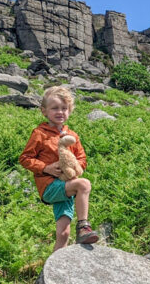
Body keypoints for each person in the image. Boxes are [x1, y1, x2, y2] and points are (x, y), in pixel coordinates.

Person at [19, 86, 98, 250]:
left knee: (63, 234)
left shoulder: (72, 136)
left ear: (70, 111)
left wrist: (75, 168)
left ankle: (54, 264)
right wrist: (46, 168)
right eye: (54, 108)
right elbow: (25, 158)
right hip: (49, 186)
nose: (60, 112)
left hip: (66, 186)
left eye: (64, 108)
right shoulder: (40, 133)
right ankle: (83, 227)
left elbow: (82, 159)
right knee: (84, 184)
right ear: (44, 111)